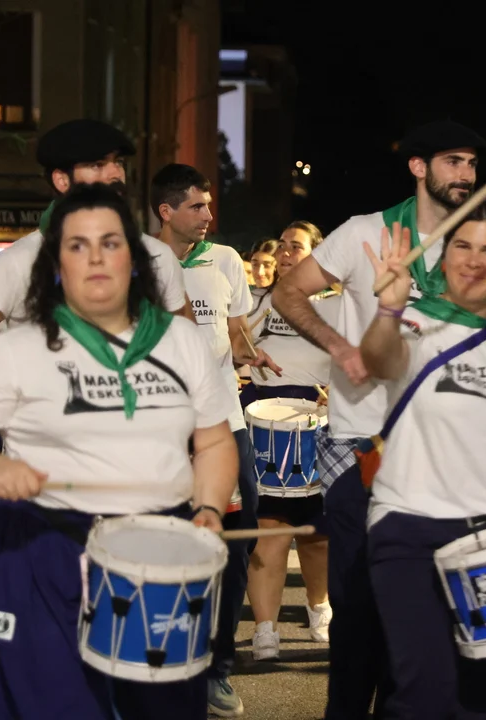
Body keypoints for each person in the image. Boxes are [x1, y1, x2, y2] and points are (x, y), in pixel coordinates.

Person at [272, 119, 486, 719]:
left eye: (472, 163)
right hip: (366, 448)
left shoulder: (483, 244)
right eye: (453, 161)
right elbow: (288, 293)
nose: (466, 174)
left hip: (464, 472)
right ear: (417, 167)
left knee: (456, 641)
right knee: (360, 618)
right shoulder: (365, 234)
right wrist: (343, 347)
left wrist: (476, 364)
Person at [0, 184, 237, 720]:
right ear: (55, 264)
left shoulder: (180, 341)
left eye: (110, 243)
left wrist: (208, 507)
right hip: (45, 544)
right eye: (77, 245)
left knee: (161, 708)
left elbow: (213, 441)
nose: (95, 258)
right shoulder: (14, 348)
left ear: (135, 259)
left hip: (155, 544)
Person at [361, 199, 486, 719]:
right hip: (409, 529)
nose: (474, 259)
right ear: (444, 257)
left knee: (482, 701)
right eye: (463, 246)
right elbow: (377, 360)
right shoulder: (412, 324)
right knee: (424, 692)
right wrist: (388, 310)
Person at [150, 163, 279, 716]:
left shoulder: (225, 259)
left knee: (233, 546)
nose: (208, 214)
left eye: (208, 205)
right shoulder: (135, 262)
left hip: (225, 425)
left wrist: (250, 351)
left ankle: (216, 668)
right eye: (197, 206)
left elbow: (234, 331)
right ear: (166, 211)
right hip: (157, 431)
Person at [0, 118, 191, 370]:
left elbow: (185, 346)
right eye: (97, 165)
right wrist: (45, 348)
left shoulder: (156, 255)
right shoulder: (23, 259)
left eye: (119, 162)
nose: (116, 174)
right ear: (62, 180)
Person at [244, 219, 337, 660]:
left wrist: (339, 390)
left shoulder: (335, 306)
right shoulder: (253, 301)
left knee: (317, 534)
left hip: (317, 418)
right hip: (262, 417)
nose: (284, 252)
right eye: (281, 244)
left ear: (316, 255)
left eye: (295, 246)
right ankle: (266, 628)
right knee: (268, 528)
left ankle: (319, 608)